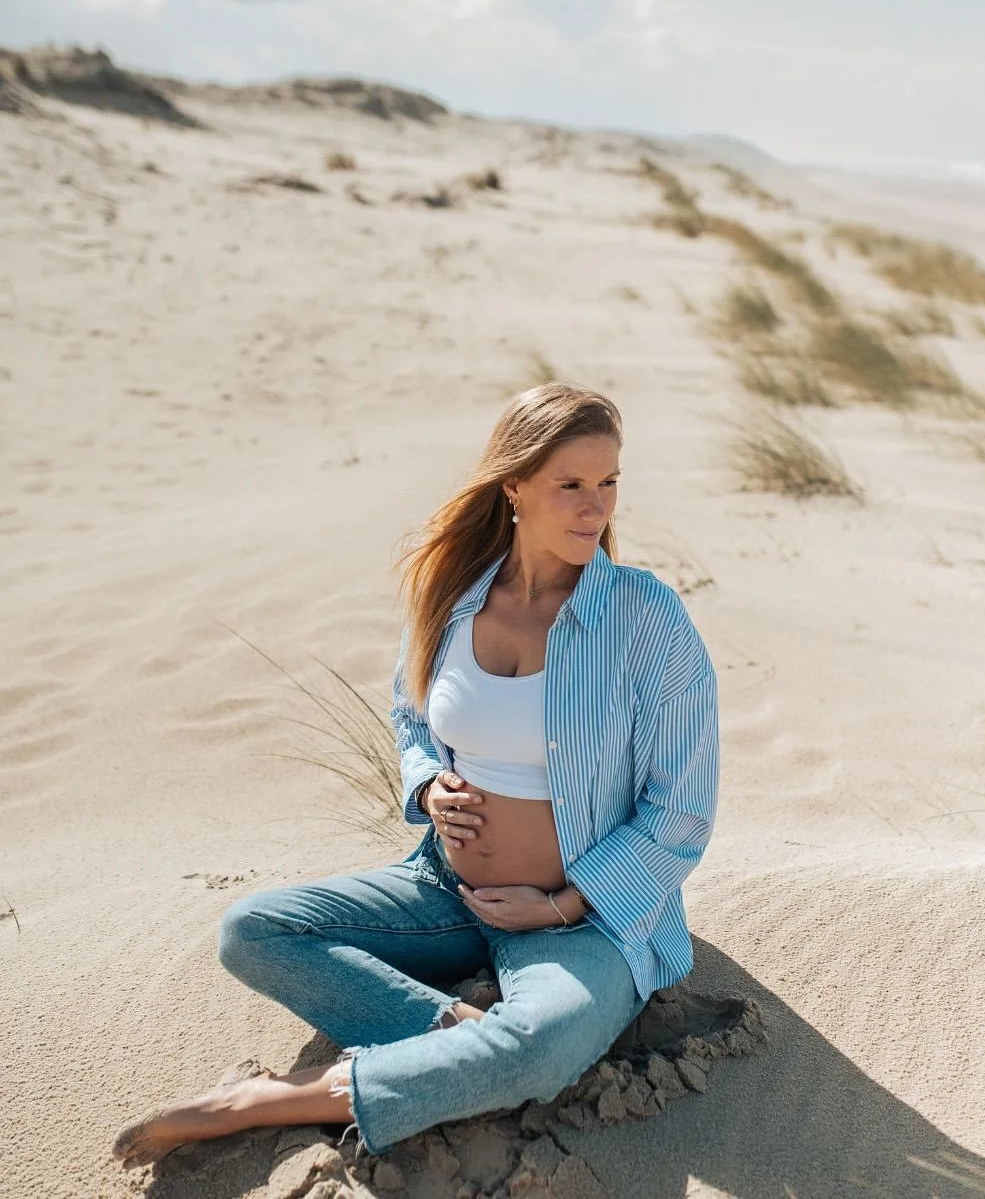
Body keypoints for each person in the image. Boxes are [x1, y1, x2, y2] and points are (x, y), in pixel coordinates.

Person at [112, 381, 721, 1168]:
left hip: (582, 921)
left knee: (545, 1046)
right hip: (444, 890)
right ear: (514, 486)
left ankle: (272, 1100)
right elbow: (414, 718)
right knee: (252, 932)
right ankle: (456, 1037)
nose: (593, 507)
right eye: (569, 484)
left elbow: (681, 809)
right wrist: (429, 784)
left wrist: (563, 902)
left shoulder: (647, 618)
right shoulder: (455, 599)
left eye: (608, 482)